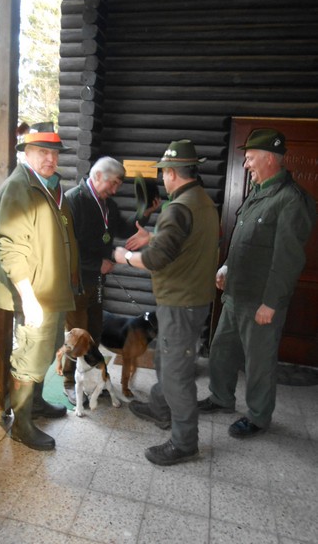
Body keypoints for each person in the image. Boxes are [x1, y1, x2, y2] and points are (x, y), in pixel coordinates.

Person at [198, 128, 316, 438]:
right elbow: (245, 239)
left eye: (250, 158)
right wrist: (226, 266)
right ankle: (221, 397)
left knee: (259, 362)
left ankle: (259, 417)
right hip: (236, 292)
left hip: (261, 300)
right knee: (221, 350)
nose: (246, 164)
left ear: (269, 159)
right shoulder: (258, 191)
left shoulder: (291, 200)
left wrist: (272, 303)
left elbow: (288, 259)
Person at [114, 139, 219, 466]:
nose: (163, 178)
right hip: (189, 299)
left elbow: (156, 260)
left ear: (172, 173)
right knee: (167, 360)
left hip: (181, 303)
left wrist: (124, 256)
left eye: (164, 172)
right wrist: (154, 237)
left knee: (176, 374)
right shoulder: (201, 200)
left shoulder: (178, 207)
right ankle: (160, 409)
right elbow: (184, 244)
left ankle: (185, 443)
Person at [0, 122, 80, 451]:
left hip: (52, 291)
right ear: (26, 153)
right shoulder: (21, 187)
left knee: (46, 349)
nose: (50, 159)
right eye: (42, 152)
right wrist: (28, 297)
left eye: (54, 153)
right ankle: (21, 425)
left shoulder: (50, 186)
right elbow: (10, 246)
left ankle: (37, 404)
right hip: (34, 294)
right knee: (30, 354)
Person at [63, 156, 160, 404]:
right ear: (97, 176)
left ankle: (93, 378)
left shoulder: (107, 204)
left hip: (97, 282)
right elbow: (67, 246)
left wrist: (144, 213)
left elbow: (124, 229)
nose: (116, 190)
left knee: (94, 333)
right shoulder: (74, 200)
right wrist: (97, 263)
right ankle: (69, 382)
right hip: (76, 281)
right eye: (114, 183)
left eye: (119, 184)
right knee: (77, 337)